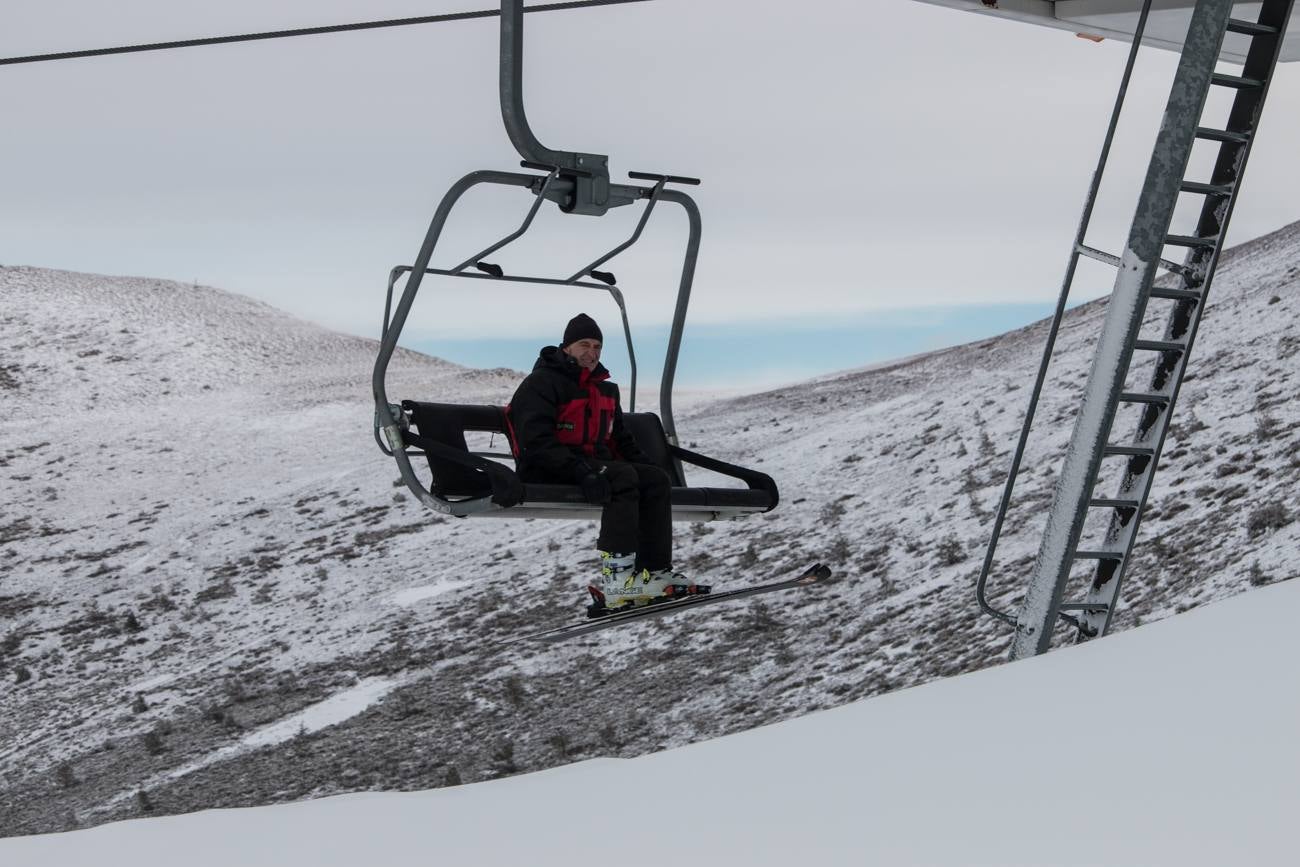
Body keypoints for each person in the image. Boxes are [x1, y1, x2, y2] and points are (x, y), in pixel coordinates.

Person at [507, 313, 697, 611]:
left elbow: (621, 442)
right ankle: (618, 577)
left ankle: (653, 572)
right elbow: (536, 442)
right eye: (585, 345)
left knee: (653, 479)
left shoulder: (605, 391)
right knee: (621, 478)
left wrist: (652, 470)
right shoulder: (541, 384)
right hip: (547, 468)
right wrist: (580, 472)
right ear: (567, 347)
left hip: (591, 466)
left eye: (597, 346)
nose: (592, 353)